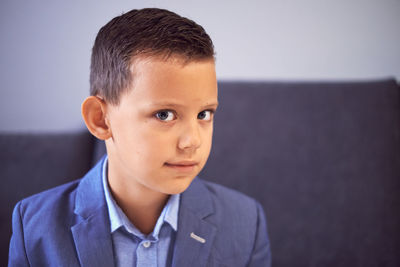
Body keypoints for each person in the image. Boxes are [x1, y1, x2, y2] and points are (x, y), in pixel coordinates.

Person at [8, 8, 271, 267]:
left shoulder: (246, 223)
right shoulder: (35, 227)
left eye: (204, 114)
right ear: (101, 119)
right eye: (164, 115)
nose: (192, 141)